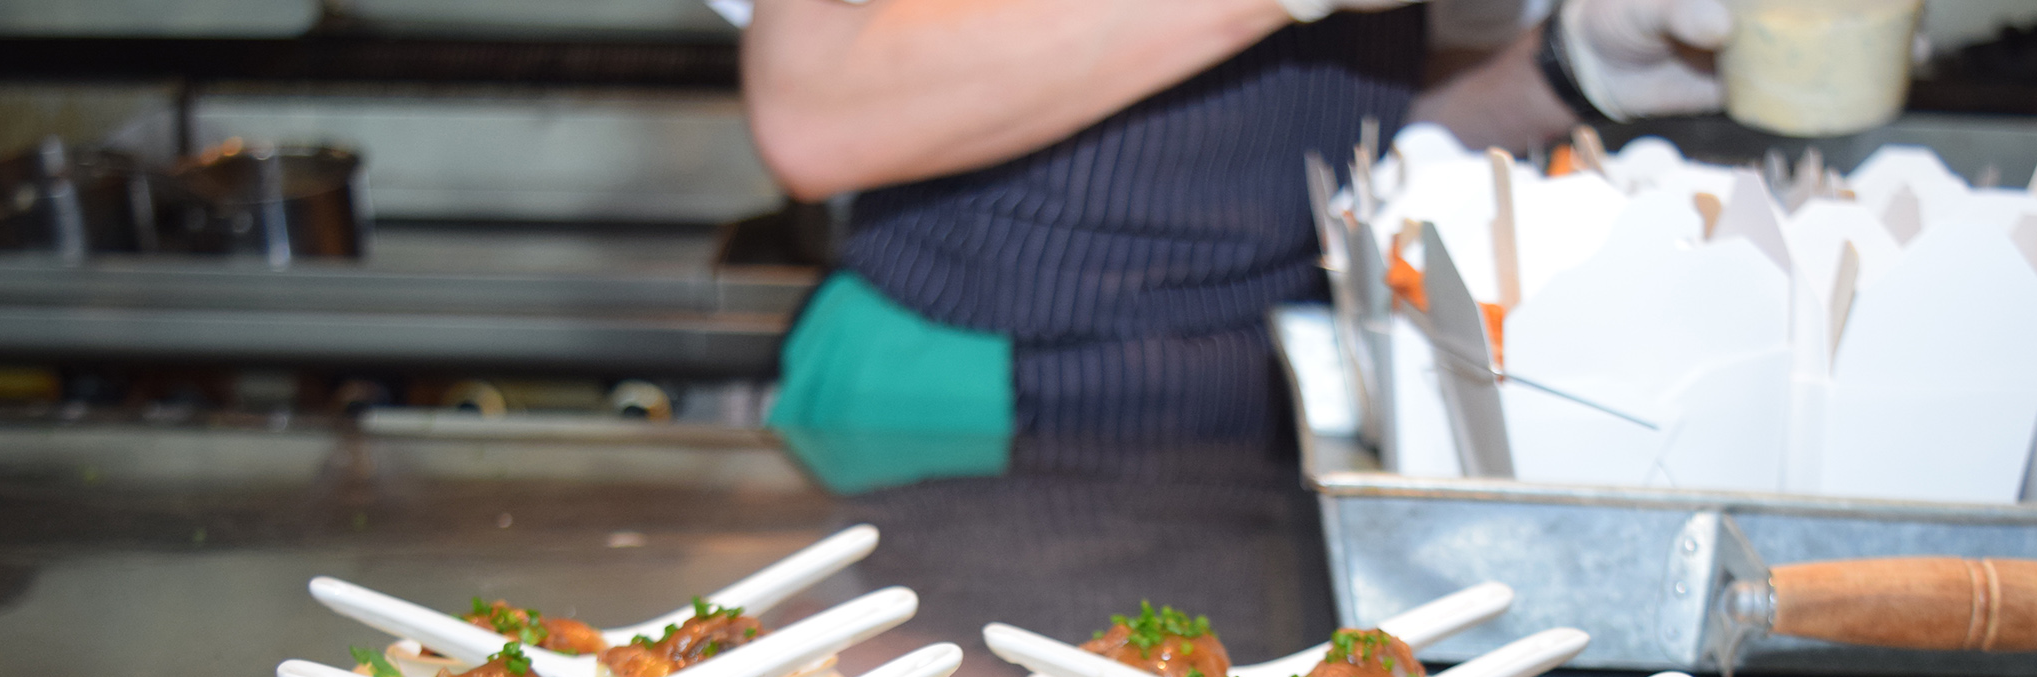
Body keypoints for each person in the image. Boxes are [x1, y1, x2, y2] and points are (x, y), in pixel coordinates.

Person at [737, 0, 1733, 456]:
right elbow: (813, 110)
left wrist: (1571, 69)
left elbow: (1348, 124)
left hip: (1286, 396)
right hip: (964, 386)